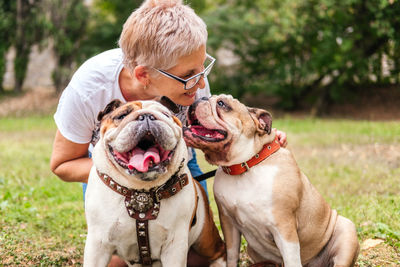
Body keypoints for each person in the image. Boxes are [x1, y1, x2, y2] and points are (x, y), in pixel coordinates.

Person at [50, 0, 287, 266]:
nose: (200, 83)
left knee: (196, 256)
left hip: (177, 163)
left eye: (202, 68)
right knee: (119, 260)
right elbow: (62, 164)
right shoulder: (89, 89)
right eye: (189, 75)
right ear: (143, 75)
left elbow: (217, 142)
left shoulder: (195, 85)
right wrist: (125, 174)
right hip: (109, 171)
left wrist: (261, 141)